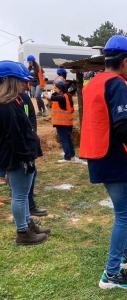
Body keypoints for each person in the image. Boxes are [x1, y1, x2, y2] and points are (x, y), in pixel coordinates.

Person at [80, 35, 127, 290]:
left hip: (98, 155)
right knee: (124, 214)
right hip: (112, 156)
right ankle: (111, 273)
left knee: (122, 210)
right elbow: (121, 128)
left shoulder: (93, 83)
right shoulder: (117, 83)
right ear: (125, 61)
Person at [0, 60, 50, 245]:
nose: (25, 84)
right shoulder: (5, 107)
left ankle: (28, 225)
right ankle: (23, 232)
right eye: (21, 81)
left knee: (24, 192)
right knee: (20, 195)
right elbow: (14, 136)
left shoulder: (13, 102)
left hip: (23, 156)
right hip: (17, 158)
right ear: (9, 81)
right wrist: (25, 158)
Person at [18, 63, 48, 216]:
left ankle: (29, 206)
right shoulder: (7, 104)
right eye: (22, 81)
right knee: (21, 183)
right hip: (19, 148)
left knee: (32, 174)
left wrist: (33, 133)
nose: (26, 85)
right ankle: (27, 211)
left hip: (27, 144)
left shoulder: (23, 98)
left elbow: (31, 116)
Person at [43, 83, 80, 164]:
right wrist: (49, 100)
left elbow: (52, 97)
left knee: (64, 140)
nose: (54, 89)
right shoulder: (66, 97)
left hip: (61, 123)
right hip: (67, 122)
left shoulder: (62, 97)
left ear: (61, 89)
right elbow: (51, 106)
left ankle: (67, 157)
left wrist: (46, 95)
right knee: (68, 139)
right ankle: (72, 156)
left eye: (56, 88)